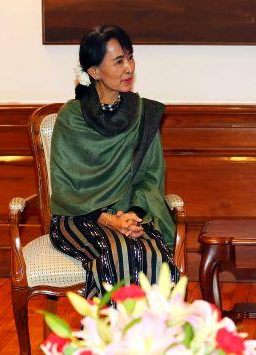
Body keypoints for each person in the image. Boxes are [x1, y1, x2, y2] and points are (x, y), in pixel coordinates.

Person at [49, 25, 178, 299]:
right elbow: (66, 190)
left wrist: (132, 215)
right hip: (78, 217)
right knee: (120, 253)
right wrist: (108, 219)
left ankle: (153, 339)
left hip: (129, 211)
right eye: (118, 61)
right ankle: (108, 339)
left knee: (151, 254)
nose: (128, 68)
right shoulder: (71, 119)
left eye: (130, 57)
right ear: (95, 71)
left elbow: (151, 178)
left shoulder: (143, 114)